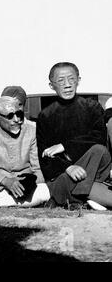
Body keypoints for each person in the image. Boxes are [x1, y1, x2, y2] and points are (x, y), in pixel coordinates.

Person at [37, 62, 112, 210]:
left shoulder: (92, 107)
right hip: (68, 174)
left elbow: (99, 138)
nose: (67, 85)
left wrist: (65, 146)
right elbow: (44, 154)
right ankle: (78, 197)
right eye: (61, 81)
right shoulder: (46, 115)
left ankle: (63, 196)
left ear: (79, 80)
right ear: (52, 86)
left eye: (71, 79)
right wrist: (68, 168)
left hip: (95, 171)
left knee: (98, 150)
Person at [0, 96, 50, 207]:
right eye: (10, 116)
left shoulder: (31, 132)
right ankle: (14, 201)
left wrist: (29, 185)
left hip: (24, 186)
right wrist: (5, 181)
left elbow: (38, 168)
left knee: (44, 191)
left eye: (19, 114)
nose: (16, 119)